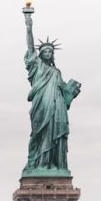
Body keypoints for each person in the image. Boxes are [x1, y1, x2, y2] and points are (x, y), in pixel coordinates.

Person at [22, 12, 81, 174]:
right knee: (39, 134)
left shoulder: (56, 72)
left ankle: (53, 165)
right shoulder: (37, 67)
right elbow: (29, 47)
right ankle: (39, 163)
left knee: (54, 132)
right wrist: (29, 26)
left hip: (56, 108)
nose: (48, 53)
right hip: (41, 106)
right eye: (45, 51)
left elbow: (65, 91)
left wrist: (72, 91)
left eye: (50, 51)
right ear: (40, 54)